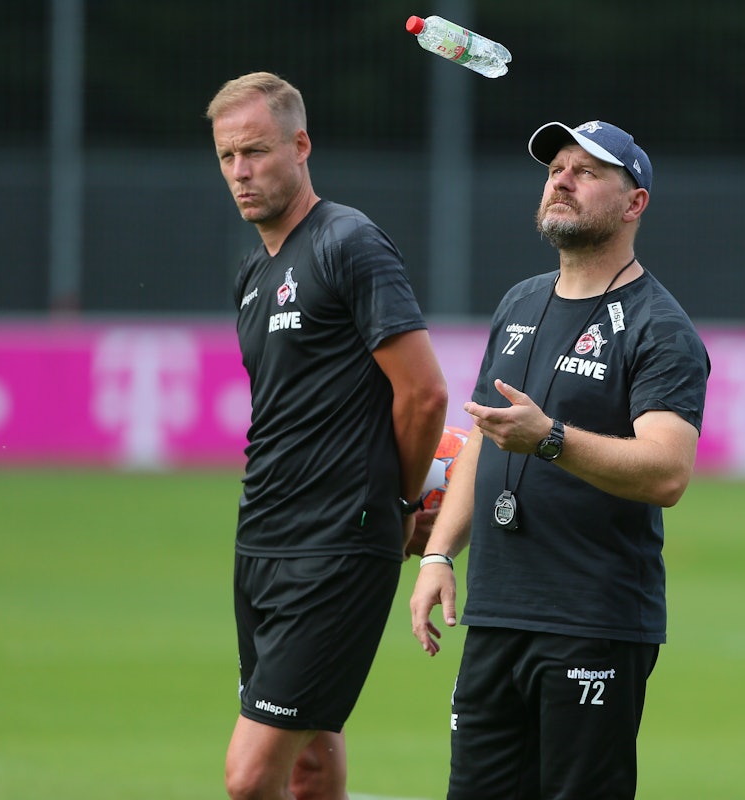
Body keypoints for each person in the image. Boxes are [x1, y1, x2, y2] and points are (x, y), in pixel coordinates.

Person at [409, 120, 710, 799]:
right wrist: (437, 555)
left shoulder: (658, 327)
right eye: (555, 169)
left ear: (634, 203)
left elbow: (667, 472)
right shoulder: (519, 301)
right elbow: (484, 436)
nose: (561, 179)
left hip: (591, 623)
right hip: (495, 614)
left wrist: (551, 438)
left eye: (587, 171)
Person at [206, 72, 448, 800]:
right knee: (308, 761)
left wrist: (401, 506)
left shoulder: (349, 242)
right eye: (227, 158)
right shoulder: (252, 270)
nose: (242, 172)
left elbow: (423, 392)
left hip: (337, 546)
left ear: (300, 145)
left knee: (249, 779)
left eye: (256, 151)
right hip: (264, 542)